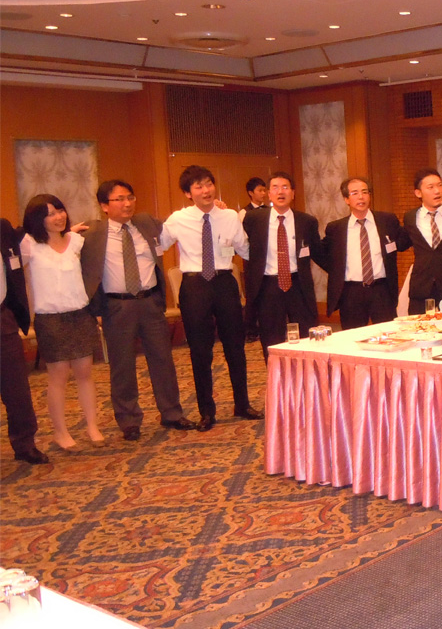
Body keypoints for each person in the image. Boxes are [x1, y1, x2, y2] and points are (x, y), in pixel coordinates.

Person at [81, 180, 194, 440]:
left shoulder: (146, 223)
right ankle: (129, 420)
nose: (127, 203)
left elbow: (180, 224)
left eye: (130, 197)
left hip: (149, 302)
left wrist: (212, 207)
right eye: (119, 199)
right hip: (116, 306)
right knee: (122, 365)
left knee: (163, 360)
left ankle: (172, 413)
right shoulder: (92, 233)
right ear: (104, 206)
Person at [160, 165, 261, 432]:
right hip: (194, 286)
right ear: (188, 193)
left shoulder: (229, 216)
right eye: (199, 186)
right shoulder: (177, 219)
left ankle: (242, 404)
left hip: (225, 282)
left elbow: (245, 249)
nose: (206, 190)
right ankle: (206, 411)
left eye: (209, 184)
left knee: (235, 347)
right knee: (200, 351)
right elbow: (159, 245)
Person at [20, 194, 103, 451]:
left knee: (85, 373)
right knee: (58, 376)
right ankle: (60, 432)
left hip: (80, 314)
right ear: (37, 219)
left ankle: (92, 427)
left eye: (60, 210)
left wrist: (72, 231)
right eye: (51, 214)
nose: (59, 217)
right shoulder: (29, 245)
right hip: (50, 319)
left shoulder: (76, 241)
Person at [242, 171, 325, 360]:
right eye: (275, 188)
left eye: (285, 187)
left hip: (298, 285)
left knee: (306, 337)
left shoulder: (307, 221)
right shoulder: (254, 219)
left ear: (293, 193)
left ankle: (306, 374)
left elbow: (319, 254)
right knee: (271, 339)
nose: (281, 192)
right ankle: (275, 376)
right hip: (268, 286)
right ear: (268, 193)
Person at [324, 177, 404, 328]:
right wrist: (336, 271)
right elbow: (324, 255)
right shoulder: (336, 228)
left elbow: (403, 242)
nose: (361, 197)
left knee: (388, 333)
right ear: (346, 199)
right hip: (351, 292)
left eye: (365, 192)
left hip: (381, 290)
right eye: (355, 193)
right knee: (353, 336)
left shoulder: (387, 221)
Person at [1, 218, 47, 464]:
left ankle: (24, 444)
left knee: (16, 388)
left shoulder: (3, 228)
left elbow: (31, 236)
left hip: (2, 317)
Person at [401, 169, 442, 315]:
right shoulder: (410, 217)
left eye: (439, 185)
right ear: (418, 193)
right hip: (421, 287)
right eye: (430, 187)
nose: (437, 191)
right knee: (418, 326)